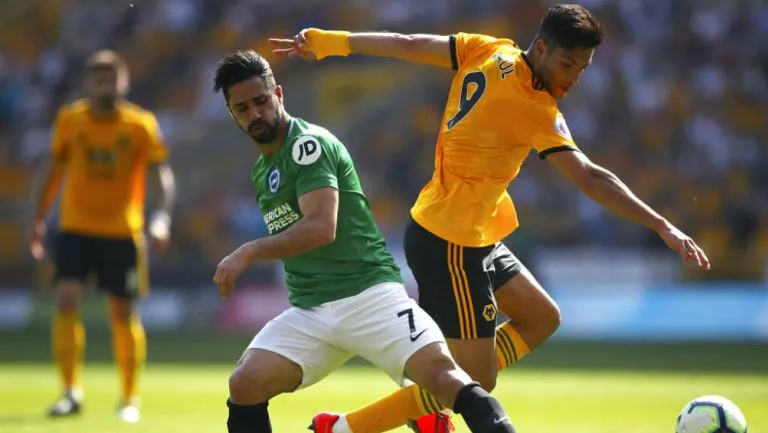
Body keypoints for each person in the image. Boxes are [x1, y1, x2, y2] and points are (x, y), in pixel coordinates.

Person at [269, 3, 711, 432]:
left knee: (541, 317)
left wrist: (336, 42)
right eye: (567, 64)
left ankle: (423, 403)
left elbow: (410, 43)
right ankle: (345, 428)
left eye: (582, 68)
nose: (573, 78)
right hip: (451, 242)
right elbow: (590, 178)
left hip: (467, 231)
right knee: (476, 380)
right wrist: (662, 225)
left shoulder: (490, 48)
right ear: (541, 48)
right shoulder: (533, 107)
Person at [211, 49, 519, 433]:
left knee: (445, 378)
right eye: (242, 108)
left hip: (369, 298)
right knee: (245, 383)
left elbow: (321, 227)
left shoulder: (307, 146)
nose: (255, 114)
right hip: (312, 310)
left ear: (279, 95)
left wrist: (249, 250)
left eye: (261, 101)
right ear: (232, 113)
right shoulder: (263, 169)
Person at [30, 50, 176, 423]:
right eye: (99, 80)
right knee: (66, 299)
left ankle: (129, 397)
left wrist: (160, 217)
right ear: (88, 83)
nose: (106, 86)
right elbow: (52, 169)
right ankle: (70, 392)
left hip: (122, 232)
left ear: (124, 82)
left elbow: (161, 173)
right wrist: (38, 218)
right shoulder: (70, 119)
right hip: (75, 228)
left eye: (112, 79)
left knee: (123, 311)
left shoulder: (140, 125)